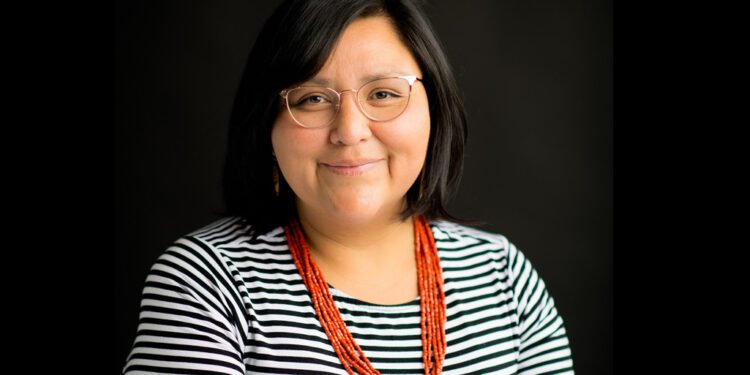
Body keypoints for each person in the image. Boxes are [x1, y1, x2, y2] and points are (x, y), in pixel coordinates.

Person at [122, 0, 574, 373]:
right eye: (312, 99)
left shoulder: (504, 277)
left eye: (383, 93)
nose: (350, 131)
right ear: (266, 126)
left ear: (433, 110)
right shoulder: (205, 283)